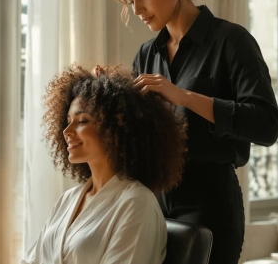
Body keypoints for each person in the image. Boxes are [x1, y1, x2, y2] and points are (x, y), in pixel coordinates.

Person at [106, 0, 278, 263]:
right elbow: (136, 137)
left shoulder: (232, 41)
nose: (137, 10)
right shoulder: (146, 55)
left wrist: (183, 96)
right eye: (131, 1)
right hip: (152, 206)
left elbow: (267, 125)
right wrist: (107, 95)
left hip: (210, 207)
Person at [22, 65, 187, 264]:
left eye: (82, 121)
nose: (67, 131)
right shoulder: (68, 200)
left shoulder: (136, 203)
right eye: (68, 120)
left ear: (115, 128)